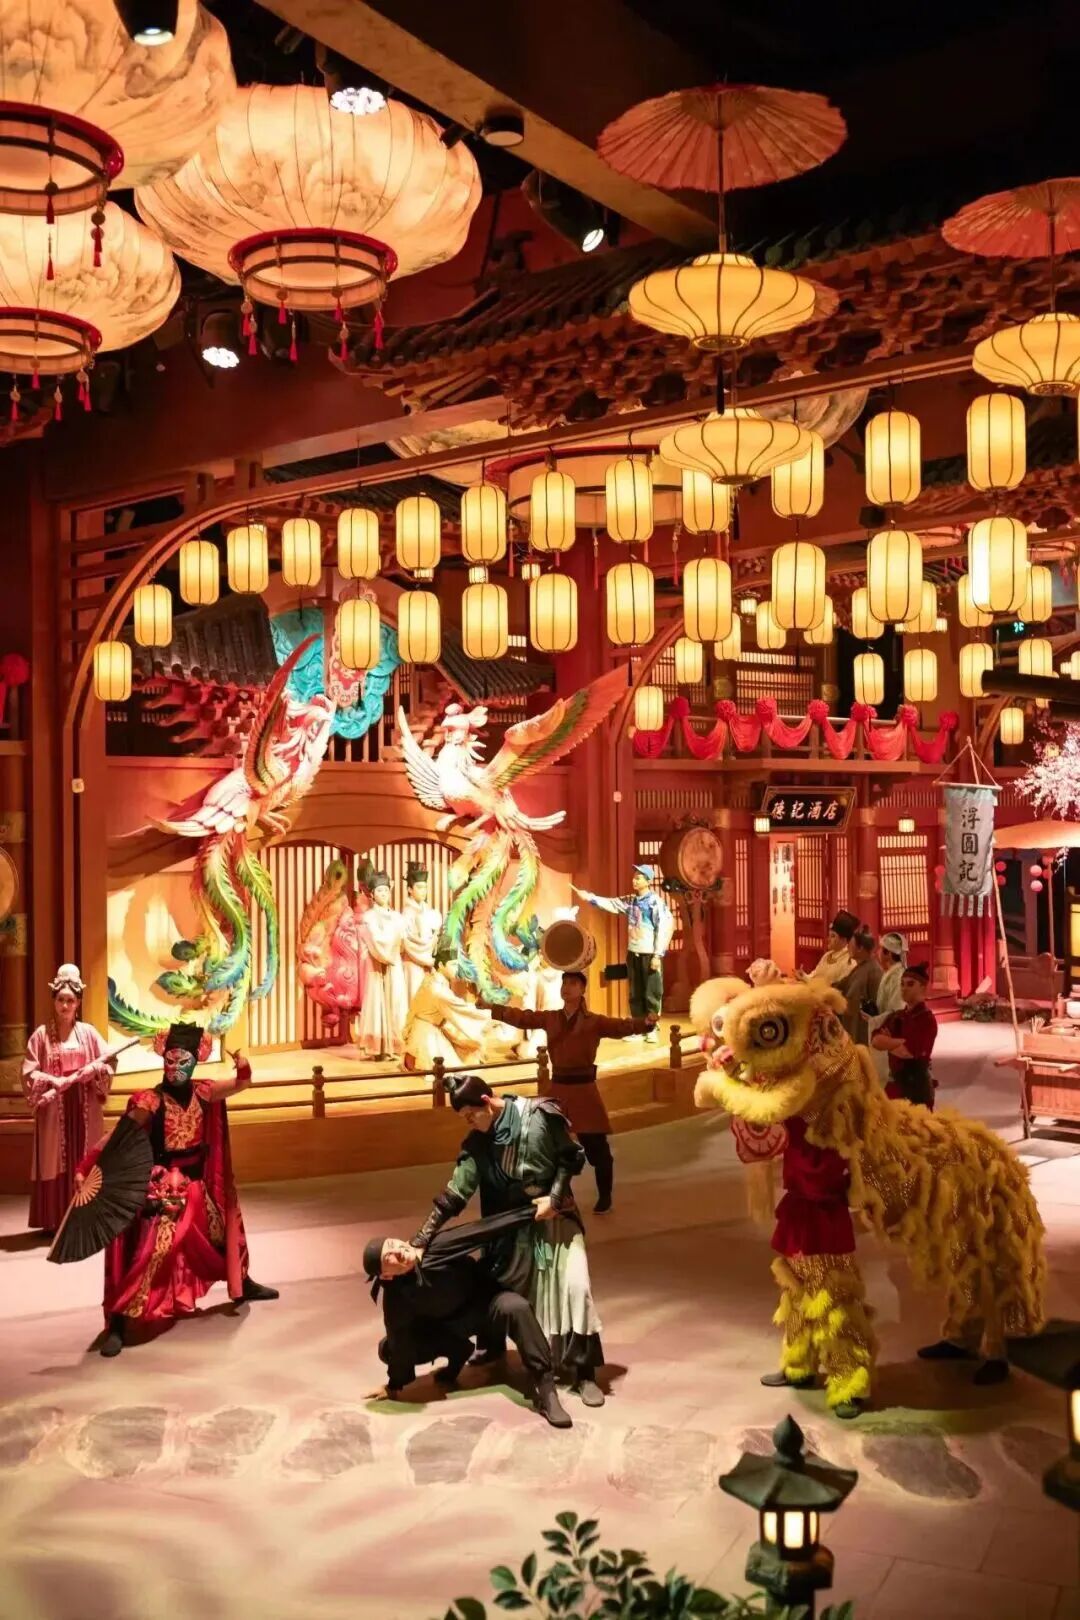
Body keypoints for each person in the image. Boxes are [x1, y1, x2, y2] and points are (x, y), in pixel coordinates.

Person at [77, 1023, 279, 1357]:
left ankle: (242, 1283)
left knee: (223, 1234)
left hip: (198, 1184)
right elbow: (117, 1136)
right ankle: (120, 1321)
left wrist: (243, 1064)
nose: (175, 1067)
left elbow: (242, 1083)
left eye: (182, 1061)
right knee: (154, 1253)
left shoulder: (204, 1092)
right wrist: (87, 1165)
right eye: (170, 1060)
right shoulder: (150, 1100)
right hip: (165, 1189)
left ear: (194, 1062)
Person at [411, 1074, 606, 1405]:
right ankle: (494, 1345)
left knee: (575, 1288)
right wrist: (422, 1238)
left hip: (557, 1219)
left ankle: (584, 1373)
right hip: (511, 1229)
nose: (470, 1122)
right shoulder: (478, 1144)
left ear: (486, 1102)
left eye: (471, 1115)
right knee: (498, 1287)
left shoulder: (540, 1115)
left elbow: (571, 1157)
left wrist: (554, 1198)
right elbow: (455, 1195)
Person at [362, 1225, 573, 1428]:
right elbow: (399, 1339)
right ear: (385, 1275)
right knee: (388, 1348)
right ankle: (458, 1352)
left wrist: (533, 1214)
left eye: (393, 1244)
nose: (397, 1251)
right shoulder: (396, 1298)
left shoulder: (434, 1248)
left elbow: (483, 1230)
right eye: (388, 1257)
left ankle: (546, 1390)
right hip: (452, 1327)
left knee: (517, 1307)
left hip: (486, 1305)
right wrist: (394, 1385)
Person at [479, 970, 654, 1213]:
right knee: (551, 1150)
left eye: (573, 983)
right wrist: (492, 1007)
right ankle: (558, 1197)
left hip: (584, 1092)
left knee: (598, 1150)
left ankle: (605, 1196)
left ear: (582, 990)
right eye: (564, 983)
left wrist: (645, 1024)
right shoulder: (551, 1018)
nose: (566, 987)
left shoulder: (594, 1021)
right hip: (558, 1091)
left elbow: (621, 1026)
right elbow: (523, 1018)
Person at [22, 964, 118, 1232]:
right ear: (54, 1001)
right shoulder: (41, 1036)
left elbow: (109, 1061)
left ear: (78, 1003)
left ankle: (86, 1218)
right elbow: (29, 1072)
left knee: (86, 1157)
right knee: (55, 1158)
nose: (65, 1006)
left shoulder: (89, 1033)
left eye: (70, 1000)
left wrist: (94, 1072)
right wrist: (52, 1080)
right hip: (55, 1108)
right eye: (61, 1000)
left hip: (84, 1106)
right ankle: (56, 1218)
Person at [573, 865, 673, 1038]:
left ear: (648, 881)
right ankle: (638, 1027)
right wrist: (589, 897)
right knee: (635, 993)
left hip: (650, 953)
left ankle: (651, 1028)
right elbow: (612, 903)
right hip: (633, 951)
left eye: (639, 878)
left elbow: (664, 927)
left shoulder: (655, 902)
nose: (634, 880)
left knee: (651, 993)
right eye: (634, 877)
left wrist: (657, 955)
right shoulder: (631, 901)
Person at [403, 945, 514, 1073]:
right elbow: (461, 1009)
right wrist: (493, 1015)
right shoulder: (437, 989)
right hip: (427, 1036)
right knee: (458, 1070)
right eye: (453, 965)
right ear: (441, 965)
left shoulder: (431, 980)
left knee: (465, 1049)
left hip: (424, 1030)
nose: (457, 969)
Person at [871, 960, 938, 1108]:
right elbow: (875, 1041)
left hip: (917, 1088)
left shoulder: (927, 1019)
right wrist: (898, 1042)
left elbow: (907, 1052)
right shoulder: (897, 1016)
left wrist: (888, 1042)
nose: (904, 988)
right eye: (902, 984)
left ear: (923, 987)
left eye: (910, 984)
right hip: (895, 1084)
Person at [357, 871, 408, 1059]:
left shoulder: (398, 917)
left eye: (386, 890)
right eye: (379, 891)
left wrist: (394, 945)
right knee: (376, 1003)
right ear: (372, 894)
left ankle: (394, 1047)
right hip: (375, 965)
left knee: (395, 1002)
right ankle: (376, 1048)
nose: (383, 894)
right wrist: (391, 944)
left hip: (394, 965)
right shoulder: (368, 917)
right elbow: (375, 940)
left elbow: (403, 942)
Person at [863, 931, 907, 1081]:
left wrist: (875, 1019)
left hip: (891, 1031)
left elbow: (897, 1010)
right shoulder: (889, 974)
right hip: (883, 1025)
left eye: (881, 949)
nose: (877, 953)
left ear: (888, 953)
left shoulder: (898, 977)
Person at [401, 863, 442, 1006]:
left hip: (427, 963)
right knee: (415, 1001)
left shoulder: (428, 911)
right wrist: (427, 957)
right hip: (413, 963)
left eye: (425, 887)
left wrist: (434, 940)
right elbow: (408, 943)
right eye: (419, 887)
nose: (423, 891)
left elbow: (434, 936)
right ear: (410, 889)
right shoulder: (406, 914)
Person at [837, 930, 882, 1045]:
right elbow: (839, 985)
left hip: (863, 1028)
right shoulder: (858, 969)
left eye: (850, 944)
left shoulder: (874, 971)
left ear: (860, 948)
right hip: (851, 1024)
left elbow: (877, 1004)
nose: (848, 947)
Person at [804, 911, 859, 985]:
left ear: (844, 939)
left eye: (833, 936)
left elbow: (840, 986)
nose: (828, 939)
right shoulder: (826, 956)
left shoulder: (849, 962)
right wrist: (804, 976)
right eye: (829, 935)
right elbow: (815, 975)